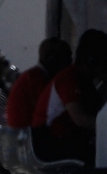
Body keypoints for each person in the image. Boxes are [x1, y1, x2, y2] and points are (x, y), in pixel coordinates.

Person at [32, 29, 107, 164]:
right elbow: (80, 119)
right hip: (50, 143)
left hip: (64, 141)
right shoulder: (69, 79)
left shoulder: (87, 83)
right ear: (91, 61)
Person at [6, 38, 72, 129]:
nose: (70, 63)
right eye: (66, 58)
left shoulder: (33, 76)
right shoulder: (36, 78)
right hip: (26, 134)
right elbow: (48, 110)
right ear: (51, 58)